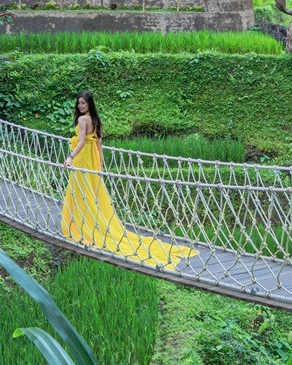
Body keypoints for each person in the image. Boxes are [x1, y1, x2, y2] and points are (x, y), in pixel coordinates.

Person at [60, 92, 198, 270]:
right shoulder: (95, 119)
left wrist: (70, 157)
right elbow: (98, 144)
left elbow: (80, 143)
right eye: (79, 103)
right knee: (91, 192)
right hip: (92, 159)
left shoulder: (82, 121)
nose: (80, 107)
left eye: (83, 104)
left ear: (89, 104)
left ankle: (81, 226)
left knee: (80, 191)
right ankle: (88, 223)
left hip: (82, 158)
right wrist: (100, 164)